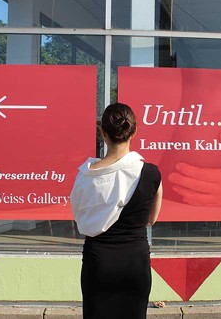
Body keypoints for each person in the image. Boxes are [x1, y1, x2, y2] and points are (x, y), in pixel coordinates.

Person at [70, 102, 163, 319]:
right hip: (135, 263)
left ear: (103, 133)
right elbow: (151, 218)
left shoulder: (85, 176)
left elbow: (80, 219)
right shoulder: (151, 174)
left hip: (98, 263)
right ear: (135, 131)